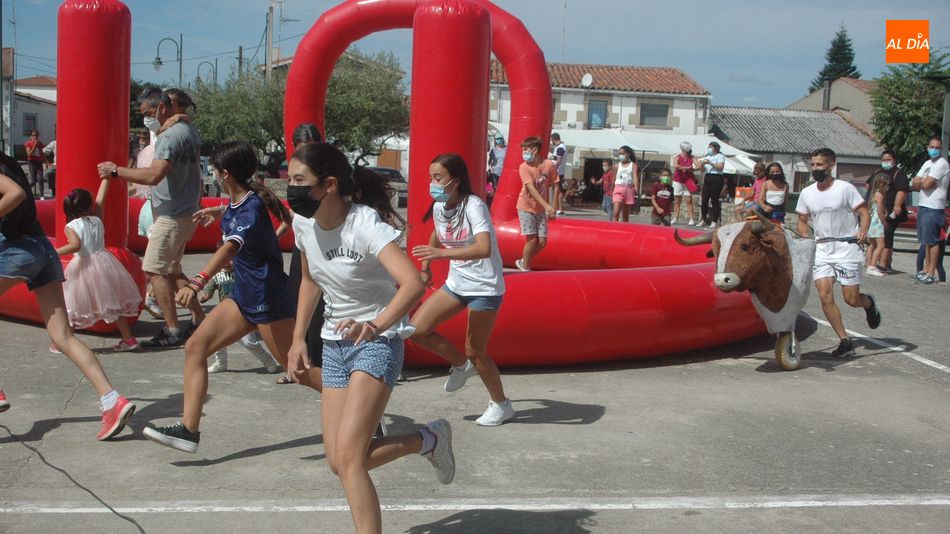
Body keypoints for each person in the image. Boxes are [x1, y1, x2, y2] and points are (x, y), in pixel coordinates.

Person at [285, 142, 454, 534]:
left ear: (328, 185)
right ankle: (428, 439)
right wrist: (298, 339)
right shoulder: (303, 223)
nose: (289, 188)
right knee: (338, 459)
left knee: (349, 460)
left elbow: (411, 284)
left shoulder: (364, 224)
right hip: (333, 343)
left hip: (378, 341)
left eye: (298, 180)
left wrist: (376, 325)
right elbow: (310, 281)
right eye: (289, 178)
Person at [142, 141, 318, 453]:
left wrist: (197, 281)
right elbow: (237, 217)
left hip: (267, 298)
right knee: (196, 347)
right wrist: (219, 209)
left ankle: (363, 413)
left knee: (299, 372)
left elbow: (230, 246)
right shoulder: (240, 204)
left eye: (213, 171)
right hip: (243, 297)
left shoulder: (249, 207)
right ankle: (188, 430)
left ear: (225, 175)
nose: (211, 175)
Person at [0, 151, 134, 439]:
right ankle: (112, 401)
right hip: (43, 252)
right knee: (63, 336)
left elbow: (15, 194)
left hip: (17, 251)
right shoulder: (9, 166)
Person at [410, 153, 514, 426]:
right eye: (430, 177)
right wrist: (426, 264)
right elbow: (437, 231)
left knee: (476, 351)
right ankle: (459, 365)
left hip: (484, 287)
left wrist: (440, 254)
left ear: (455, 181)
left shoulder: (474, 205)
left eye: (438, 178)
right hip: (457, 284)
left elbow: (484, 248)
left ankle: (501, 404)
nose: (432, 183)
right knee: (417, 329)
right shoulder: (439, 205)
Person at [97, 87, 205, 348]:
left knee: (154, 269)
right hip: (186, 210)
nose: (147, 118)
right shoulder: (188, 130)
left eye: (148, 113)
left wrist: (115, 171)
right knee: (171, 269)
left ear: (164, 107)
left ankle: (172, 329)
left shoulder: (170, 136)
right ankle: (199, 318)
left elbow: (153, 175)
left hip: (172, 214)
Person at [796, 148, 881, 358]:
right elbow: (802, 221)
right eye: (813, 164)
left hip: (846, 248)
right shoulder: (807, 193)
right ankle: (844, 340)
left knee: (851, 299)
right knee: (824, 294)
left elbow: (863, 212)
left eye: (820, 165)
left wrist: (862, 230)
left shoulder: (845, 189)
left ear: (831, 165)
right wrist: (807, 237)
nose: (815, 168)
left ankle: (868, 303)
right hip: (822, 249)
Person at [56, 180, 142, 351]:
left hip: (84, 267)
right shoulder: (97, 219)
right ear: (89, 205)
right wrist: (105, 179)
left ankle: (63, 343)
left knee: (73, 306)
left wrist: (54, 252)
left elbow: (75, 246)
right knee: (112, 305)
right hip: (104, 263)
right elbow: (101, 200)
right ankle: (129, 339)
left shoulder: (71, 226)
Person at [282, 122, 325, 386]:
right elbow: (293, 215)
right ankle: (299, 357)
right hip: (303, 240)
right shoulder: (295, 168)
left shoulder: (326, 169)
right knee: (298, 293)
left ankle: (317, 363)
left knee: (319, 301)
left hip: (323, 237)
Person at [199, 258, 280, 374]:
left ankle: (268, 361)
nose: (226, 263)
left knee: (248, 342)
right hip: (225, 313)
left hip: (243, 313)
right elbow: (209, 288)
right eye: (223, 261)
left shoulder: (243, 272)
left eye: (230, 260)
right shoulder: (218, 275)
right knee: (217, 339)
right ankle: (220, 363)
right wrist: (206, 295)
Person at [910, 136, 949, 285]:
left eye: (937, 147)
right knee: (926, 241)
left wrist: (923, 181)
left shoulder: (941, 164)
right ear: (927, 148)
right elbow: (915, 180)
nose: (934, 150)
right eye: (932, 147)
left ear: (941, 149)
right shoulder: (927, 163)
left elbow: (926, 184)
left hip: (934, 208)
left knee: (933, 242)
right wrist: (923, 181)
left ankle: (931, 273)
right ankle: (926, 270)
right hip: (924, 205)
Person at [515, 136, 557, 271]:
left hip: (540, 209)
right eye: (522, 150)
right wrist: (547, 206)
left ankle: (523, 261)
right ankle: (525, 268)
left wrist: (553, 208)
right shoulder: (524, 167)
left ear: (535, 150)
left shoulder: (549, 164)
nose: (523, 153)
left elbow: (555, 185)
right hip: (525, 206)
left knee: (543, 242)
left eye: (526, 150)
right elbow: (531, 189)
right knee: (532, 240)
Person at [872, 150, 910, 274]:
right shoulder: (877, 172)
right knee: (875, 238)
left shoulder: (899, 174)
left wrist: (897, 205)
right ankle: (873, 263)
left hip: (891, 212)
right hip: (876, 212)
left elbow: (902, 190)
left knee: (887, 236)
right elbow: (869, 187)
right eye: (884, 160)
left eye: (889, 160)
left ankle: (884, 264)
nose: (886, 162)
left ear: (894, 160)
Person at [696, 141, 726, 229]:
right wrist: (702, 164)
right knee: (704, 199)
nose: (709, 149)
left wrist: (710, 163)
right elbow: (702, 170)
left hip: (716, 177)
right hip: (708, 177)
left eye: (711, 147)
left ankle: (714, 221)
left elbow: (720, 167)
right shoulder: (707, 156)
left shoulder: (720, 156)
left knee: (714, 200)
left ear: (715, 148)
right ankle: (703, 219)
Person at [864, 176, 888, 277]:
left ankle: (869, 264)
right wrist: (884, 221)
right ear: (882, 184)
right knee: (881, 245)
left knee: (872, 245)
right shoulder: (880, 195)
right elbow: (879, 211)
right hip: (877, 222)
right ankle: (872, 266)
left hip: (871, 220)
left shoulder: (873, 194)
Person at [671, 142, 697, 225]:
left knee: (689, 200)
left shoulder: (692, 157)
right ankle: (675, 217)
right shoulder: (677, 157)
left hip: (688, 180)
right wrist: (686, 168)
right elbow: (675, 165)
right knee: (677, 200)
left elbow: (698, 165)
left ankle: (691, 218)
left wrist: (693, 168)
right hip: (678, 180)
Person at [612, 145, 639, 222]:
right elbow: (614, 179)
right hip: (618, 189)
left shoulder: (633, 165)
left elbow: (635, 176)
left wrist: (636, 186)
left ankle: (624, 230)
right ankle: (614, 228)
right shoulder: (616, 166)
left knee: (625, 215)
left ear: (628, 154)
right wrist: (612, 190)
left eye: (623, 153)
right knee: (616, 212)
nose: (621, 155)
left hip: (628, 189)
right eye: (620, 153)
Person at [24, 130, 46, 197]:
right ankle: (25, 190)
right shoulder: (28, 143)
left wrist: (47, 162)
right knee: (33, 181)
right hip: (32, 162)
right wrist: (34, 146)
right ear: (31, 136)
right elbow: (29, 154)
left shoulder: (40, 143)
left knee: (40, 179)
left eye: (36, 135)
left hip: (39, 162)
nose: (35, 137)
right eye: (33, 135)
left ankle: (42, 196)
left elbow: (42, 154)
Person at [551, 133, 568, 215]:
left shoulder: (560, 148)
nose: (551, 142)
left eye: (551, 140)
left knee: (558, 190)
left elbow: (559, 160)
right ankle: (558, 208)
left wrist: (553, 168)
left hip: (558, 172)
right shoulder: (561, 147)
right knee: (557, 190)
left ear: (553, 139)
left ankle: (559, 208)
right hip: (560, 171)